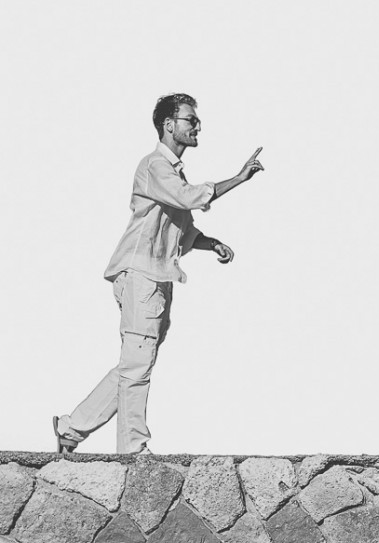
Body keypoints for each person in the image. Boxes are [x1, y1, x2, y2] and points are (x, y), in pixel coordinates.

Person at [53, 93, 264, 455]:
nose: (197, 126)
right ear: (169, 125)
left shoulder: (171, 173)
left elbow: (183, 227)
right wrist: (239, 178)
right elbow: (189, 198)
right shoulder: (155, 166)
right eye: (190, 120)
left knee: (135, 362)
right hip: (140, 276)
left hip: (157, 277)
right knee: (138, 364)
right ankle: (133, 449)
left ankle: (71, 427)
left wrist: (211, 243)